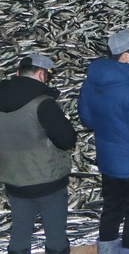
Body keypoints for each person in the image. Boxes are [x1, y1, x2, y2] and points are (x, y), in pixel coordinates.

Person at [79, 30, 129, 254]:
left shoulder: (90, 82)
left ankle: (106, 250)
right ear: (125, 56)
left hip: (108, 162)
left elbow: (87, 119)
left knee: (111, 208)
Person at [0, 55, 77, 254]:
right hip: (48, 183)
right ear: (42, 74)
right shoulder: (44, 104)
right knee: (55, 238)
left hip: (14, 182)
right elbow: (67, 140)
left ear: (18, 73)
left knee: (19, 235)